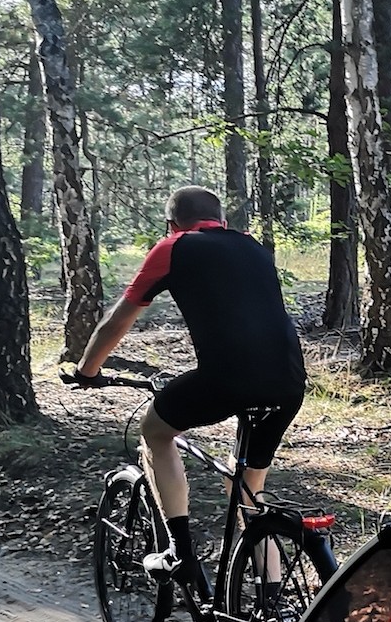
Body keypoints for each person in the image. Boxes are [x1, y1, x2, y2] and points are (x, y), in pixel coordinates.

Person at [75, 185, 306, 599]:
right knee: (249, 490)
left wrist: (87, 370)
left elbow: (118, 321)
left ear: (171, 223)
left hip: (227, 378)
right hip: (288, 381)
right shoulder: (253, 247)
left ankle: (179, 551)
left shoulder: (172, 247)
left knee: (156, 431)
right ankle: (274, 604)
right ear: (223, 222)